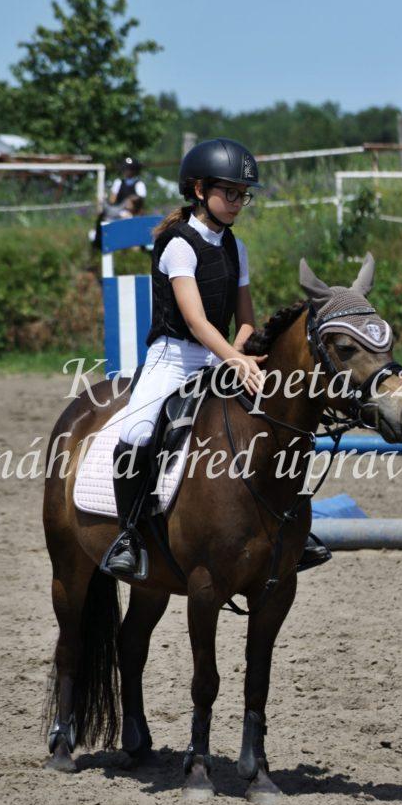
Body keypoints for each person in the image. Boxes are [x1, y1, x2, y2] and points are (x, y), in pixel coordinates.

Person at [100, 137, 330, 580]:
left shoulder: (235, 247)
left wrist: (239, 352)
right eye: (230, 192)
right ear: (200, 189)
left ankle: (289, 526)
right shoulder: (177, 243)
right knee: (137, 432)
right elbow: (196, 319)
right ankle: (128, 536)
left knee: (275, 421)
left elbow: (245, 318)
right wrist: (231, 357)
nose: (238, 202)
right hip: (172, 358)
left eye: (243, 194)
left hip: (219, 356)